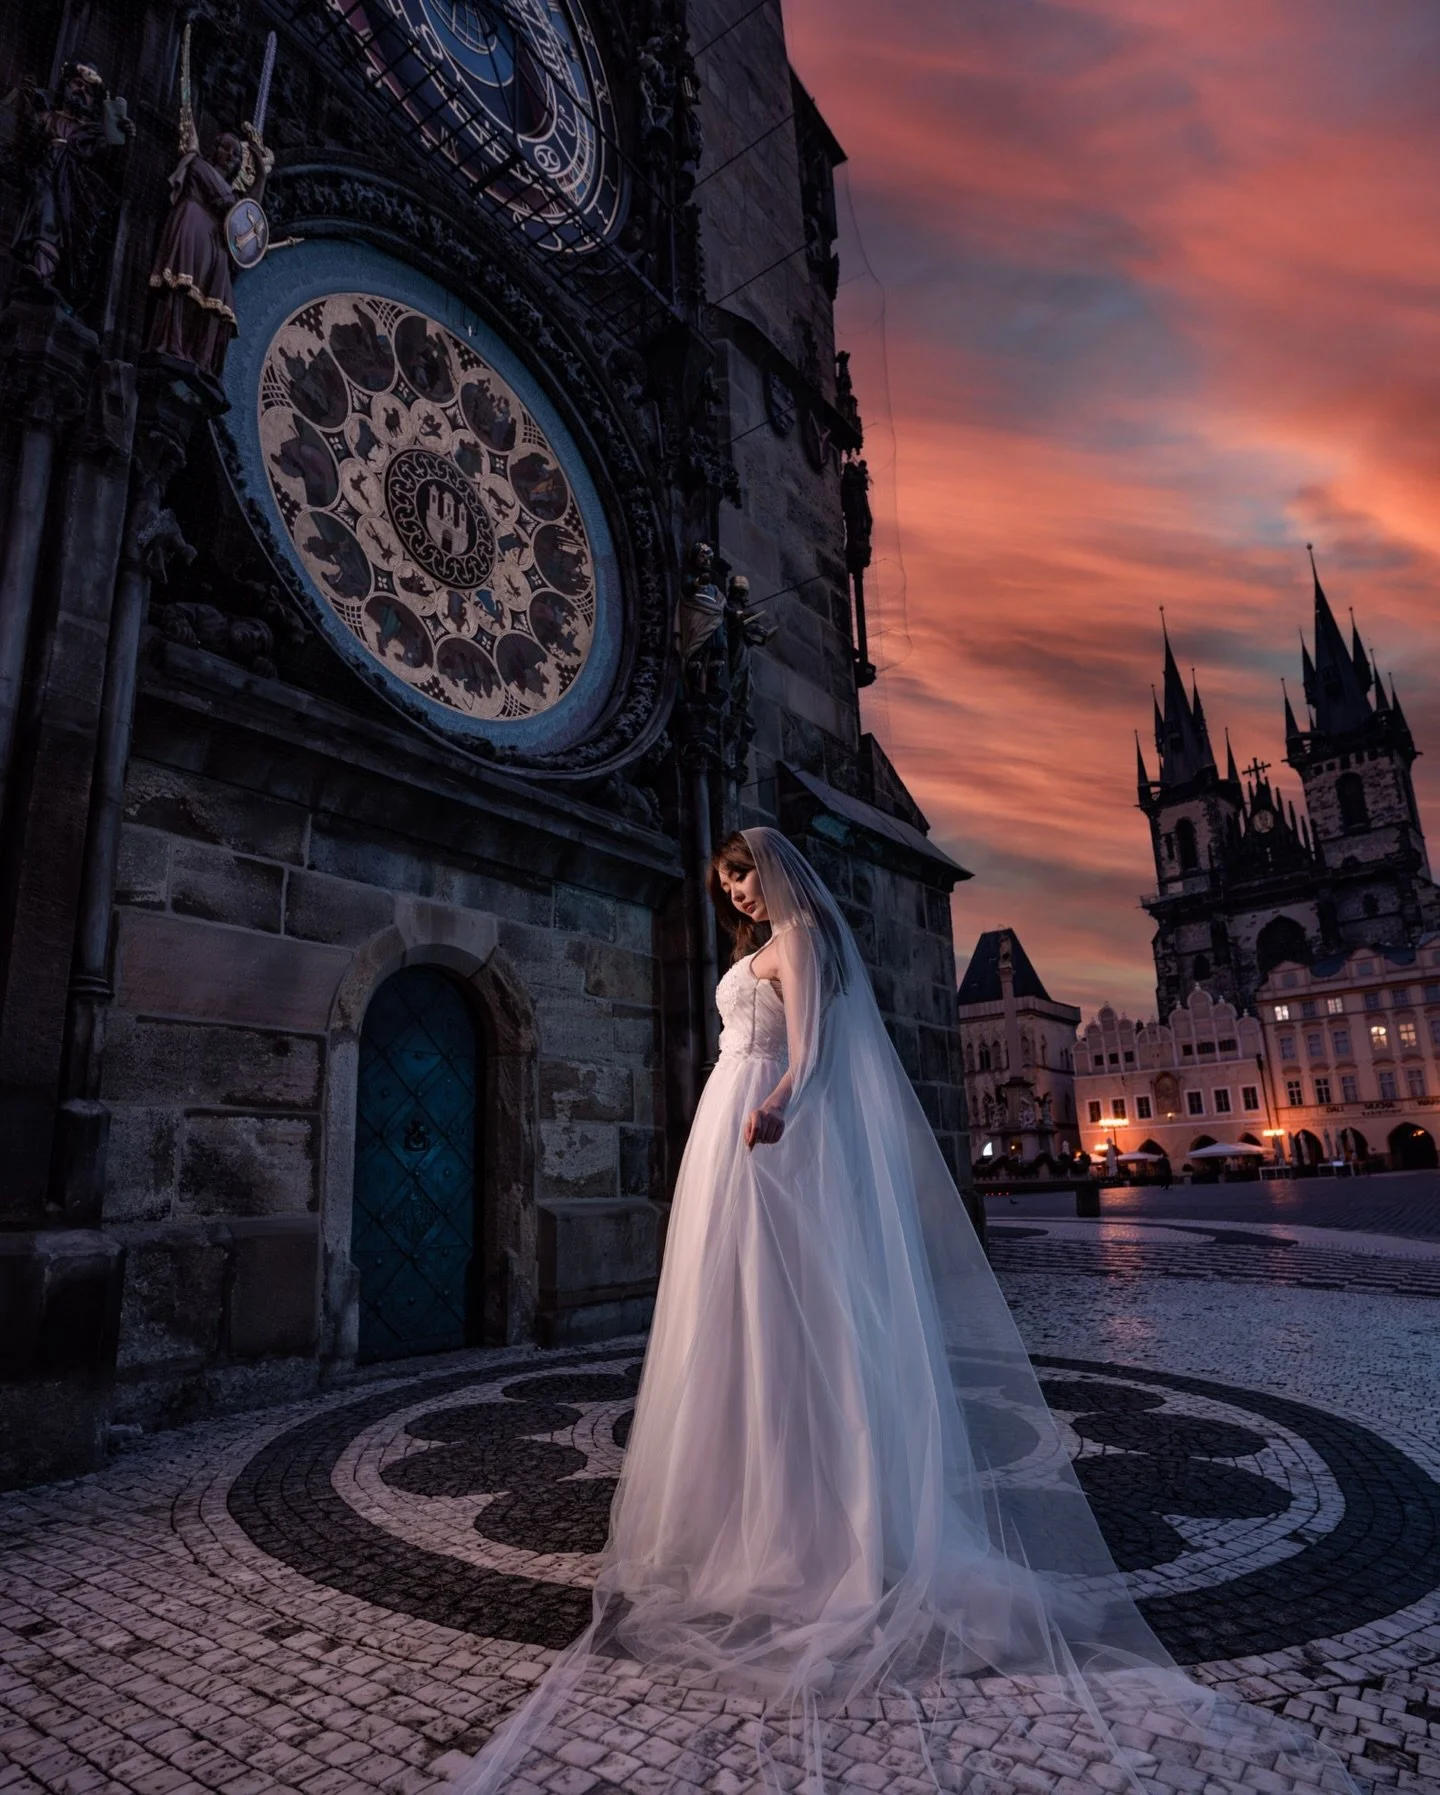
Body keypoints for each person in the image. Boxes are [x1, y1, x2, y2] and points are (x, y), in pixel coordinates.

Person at [448, 828, 1354, 1795]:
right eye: (729, 885)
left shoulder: (799, 942)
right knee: (732, 1316)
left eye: (746, 876)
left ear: (776, 872)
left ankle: (818, 1520)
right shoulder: (750, 950)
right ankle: (736, 1502)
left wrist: (782, 1106)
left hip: (763, 1118)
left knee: (788, 1310)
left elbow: (819, 1042)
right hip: (728, 1122)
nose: (741, 895)